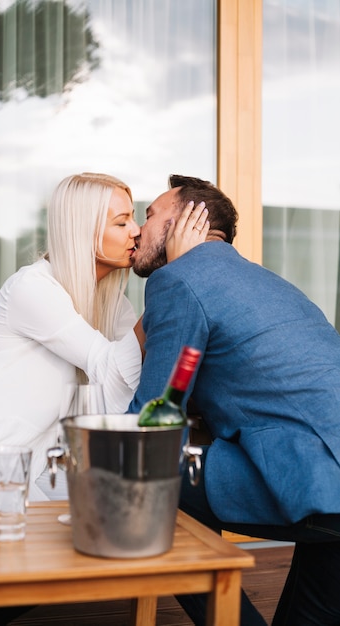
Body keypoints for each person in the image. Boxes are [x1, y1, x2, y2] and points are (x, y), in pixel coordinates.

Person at [128, 174, 340, 626]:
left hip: (321, 480)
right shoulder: (270, 284)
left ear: (189, 219)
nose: (138, 230)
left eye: (149, 215)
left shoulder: (181, 281)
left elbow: (152, 421)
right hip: (325, 476)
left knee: (156, 482)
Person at [0, 172, 208, 507]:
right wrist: (175, 277)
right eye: (122, 222)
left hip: (42, 454)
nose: (136, 231)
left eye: (134, 217)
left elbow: (123, 392)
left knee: (118, 510)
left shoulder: (113, 304)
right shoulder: (33, 288)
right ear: (81, 231)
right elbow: (111, 368)